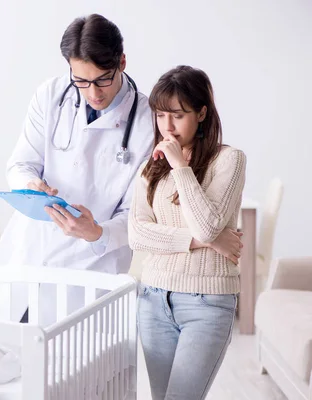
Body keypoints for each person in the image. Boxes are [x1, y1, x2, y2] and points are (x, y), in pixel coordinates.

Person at [0, 14, 154, 327]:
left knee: (72, 364)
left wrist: (97, 232)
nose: (92, 92)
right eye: (81, 80)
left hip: (91, 267)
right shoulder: (51, 95)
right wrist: (30, 183)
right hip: (31, 250)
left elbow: (139, 214)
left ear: (121, 62)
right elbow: (21, 162)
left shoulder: (147, 122)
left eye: (102, 80)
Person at [128, 65, 246, 400]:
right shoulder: (150, 165)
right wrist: (202, 242)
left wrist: (181, 166)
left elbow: (207, 224)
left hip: (207, 304)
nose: (167, 126)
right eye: (160, 115)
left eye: (178, 115)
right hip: (153, 299)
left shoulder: (230, 160)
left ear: (202, 113)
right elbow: (137, 235)